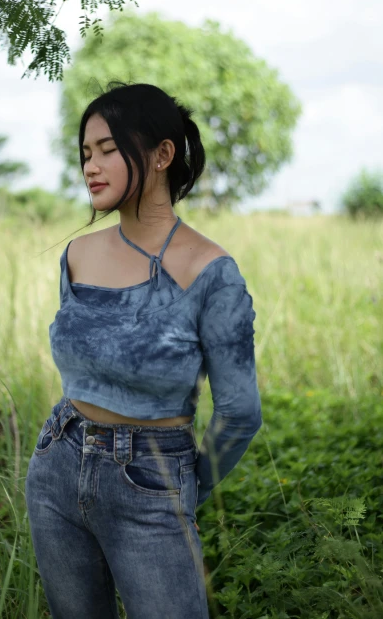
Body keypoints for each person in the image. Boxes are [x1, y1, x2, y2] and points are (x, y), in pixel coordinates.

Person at [25, 82, 262, 619]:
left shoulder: (211, 271)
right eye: (86, 153)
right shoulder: (77, 255)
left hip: (153, 479)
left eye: (108, 149)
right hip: (58, 464)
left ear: (161, 155)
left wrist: (180, 490)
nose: (91, 165)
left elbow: (240, 412)